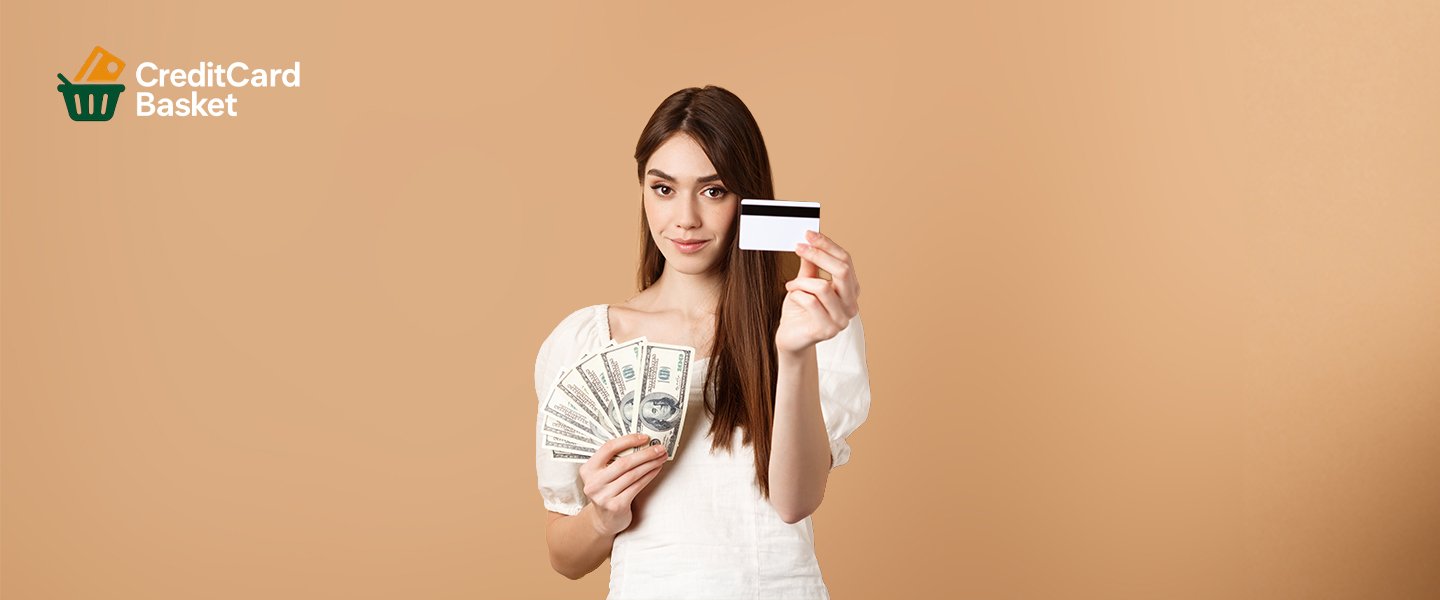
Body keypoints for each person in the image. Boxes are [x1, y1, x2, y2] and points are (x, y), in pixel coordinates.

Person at [533, 85, 871, 599]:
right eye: (663, 188)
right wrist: (604, 514)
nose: (685, 218)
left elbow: (794, 501)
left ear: (747, 198)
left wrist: (795, 351)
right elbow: (564, 556)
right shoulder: (587, 341)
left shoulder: (806, 316)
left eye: (713, 191)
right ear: (642, 189)